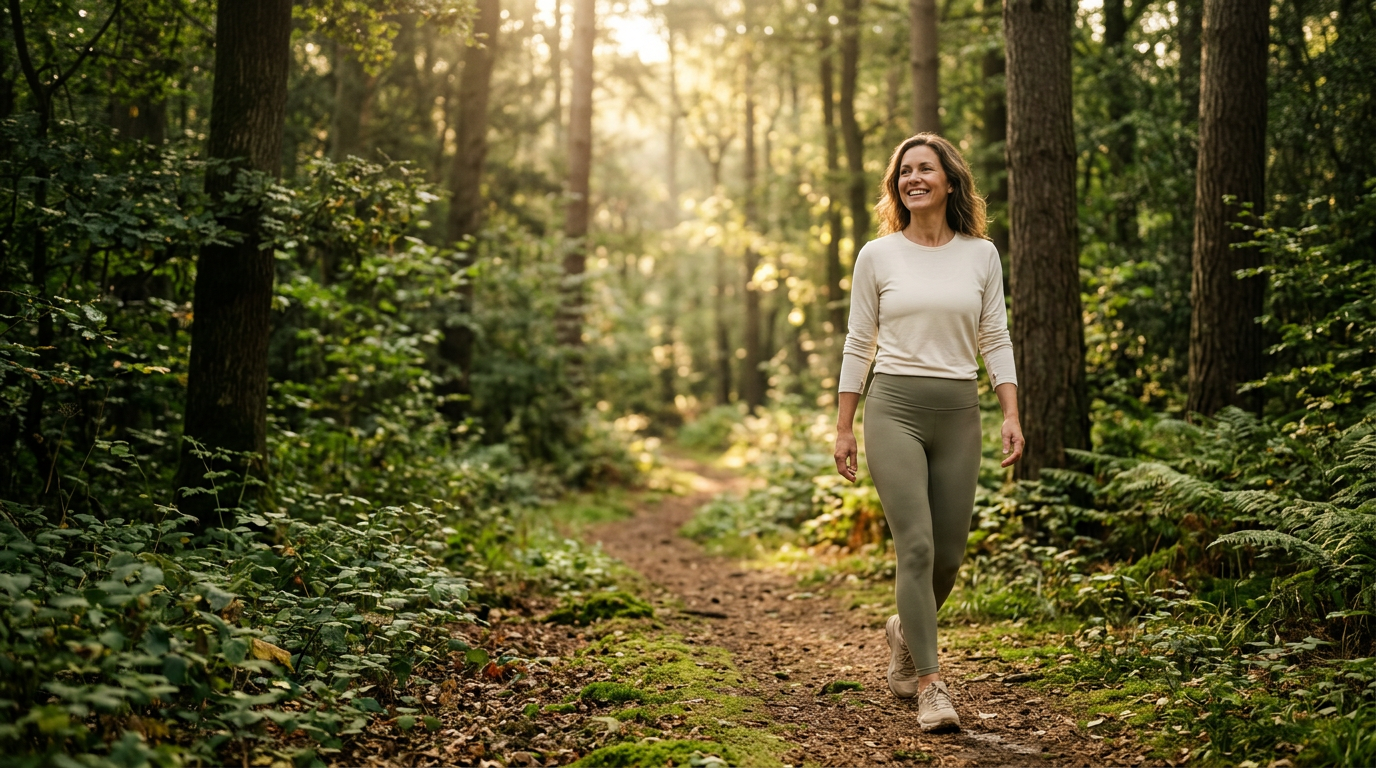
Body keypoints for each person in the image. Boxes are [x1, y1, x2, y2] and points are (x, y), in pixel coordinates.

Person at [832, 133, 1024, 733]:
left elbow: (995, 338)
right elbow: (859, 342)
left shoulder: (981, 255)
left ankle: (901, 632)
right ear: (898, 185)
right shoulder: (877, 255)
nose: (915, 178)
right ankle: (932, 685)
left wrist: (1011, 413)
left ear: (948, 180)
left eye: (927, 169)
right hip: (893, 408)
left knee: (949, 555)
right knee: (914, 547)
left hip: (959, 413)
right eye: (905, 171)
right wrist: (844, 426)